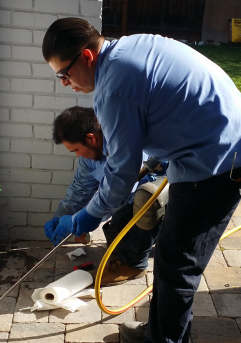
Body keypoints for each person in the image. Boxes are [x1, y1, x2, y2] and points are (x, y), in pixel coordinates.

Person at [42, 18, 241, 343]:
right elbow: (168, 98)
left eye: (64, 74)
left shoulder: (113, 88)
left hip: (216, 164)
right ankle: (161, 334)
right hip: (223, 143)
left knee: (177, 268)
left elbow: (121, 172)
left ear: (86, 56)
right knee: (171, 261)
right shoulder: (129, 47)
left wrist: (87, 217)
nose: (66, 84)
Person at [45, 106, 164, 286]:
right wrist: (61, 216)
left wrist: (82, 218)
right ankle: (138, 249)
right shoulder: (89, 159)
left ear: (91, 138)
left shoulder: (123, 141)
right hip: (136, 199)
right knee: (117, 230)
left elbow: (119, 190)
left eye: (76, 149)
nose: (77, 155)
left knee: (145, 201)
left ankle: (136, 265)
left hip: (174, 192)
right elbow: (80, 190)